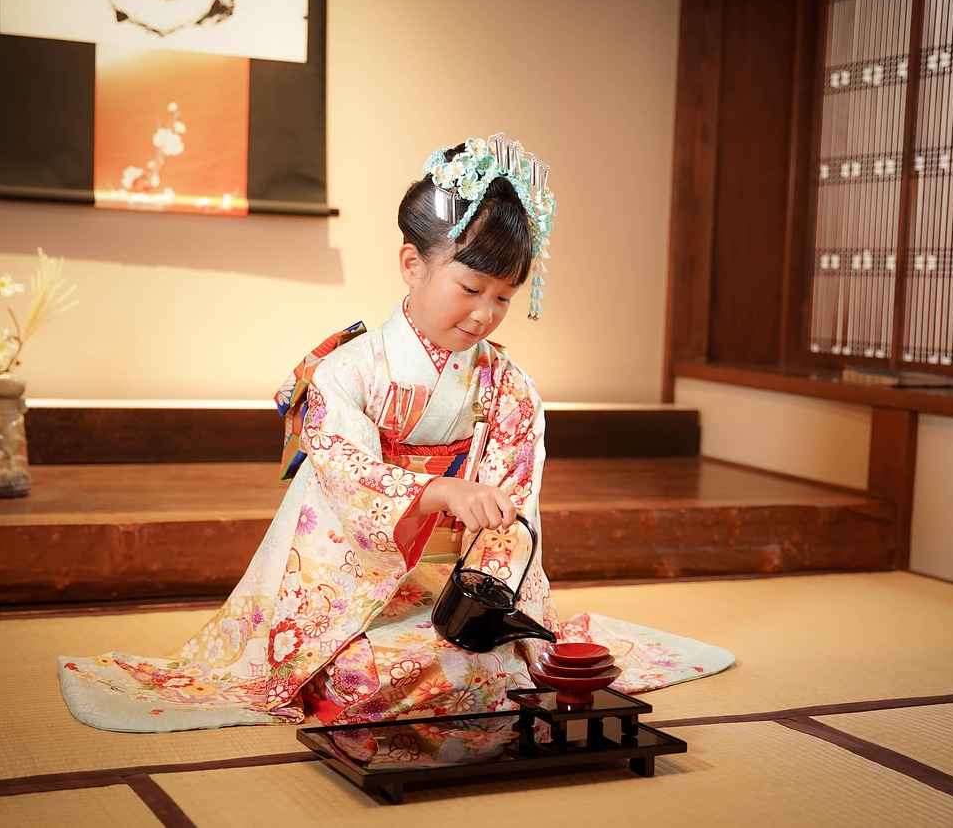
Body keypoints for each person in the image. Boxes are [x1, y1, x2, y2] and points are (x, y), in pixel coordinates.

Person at [58, 133, 733, 732]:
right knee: (362, 678)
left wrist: (486, 611)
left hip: (443, 590)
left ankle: (468, 649)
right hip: (342, 584)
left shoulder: (511, 389)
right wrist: (439, 492)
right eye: (470, 288)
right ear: (412, 264)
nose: (486, 314)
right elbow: (346, 483)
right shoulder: (343, 374)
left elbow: (512, 516)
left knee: (495, 664)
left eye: (504, 296)